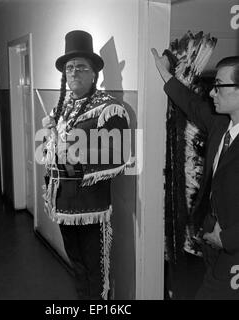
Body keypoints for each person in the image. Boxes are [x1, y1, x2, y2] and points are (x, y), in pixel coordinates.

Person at [41, 30, 130, 300]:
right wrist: (50, 138)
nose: (74, 72)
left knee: (95, 271)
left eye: (81, 67)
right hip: (63, 204)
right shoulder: (63, 108)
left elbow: (120, 155)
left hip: (92, 206)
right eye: (69, 68)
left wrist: (79, 151)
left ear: (95, 74)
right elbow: (51, 154)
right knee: (77, 266)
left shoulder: (109, 108)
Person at [151, 48, 239, 299]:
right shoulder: (221, 125)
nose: (212, 92)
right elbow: (191, 102)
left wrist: (228, 239)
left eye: (219, 85)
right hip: (212, 242)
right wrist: (164, 73)